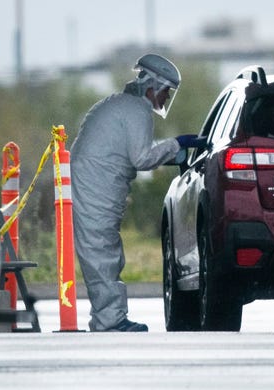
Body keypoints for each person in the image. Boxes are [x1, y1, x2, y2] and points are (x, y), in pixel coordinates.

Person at [71, 54, 200, 332]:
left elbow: (130, 152)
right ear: (152, 86)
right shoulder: (137, 111)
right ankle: (110, 322)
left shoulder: (119, 105)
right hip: (98, 186)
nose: (165, 99)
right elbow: (142, 158)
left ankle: (108, 319)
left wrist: (170, 149)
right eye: (165, 92)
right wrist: (176, 143)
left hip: (96, 183)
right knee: (102, 252)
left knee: (104, 251)